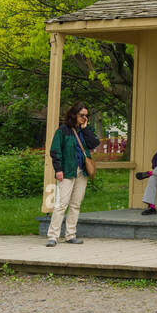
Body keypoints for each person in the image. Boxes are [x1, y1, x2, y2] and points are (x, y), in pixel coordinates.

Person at [47, 101, 99, 246]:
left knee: (75, 204)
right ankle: (53, 236)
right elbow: (55, 150)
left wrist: (86, 128)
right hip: (67, 171)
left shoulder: (84, 130)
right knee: (61, 205)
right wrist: (58, 169)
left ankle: (70, 234)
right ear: (74, 114)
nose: (84, 118)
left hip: (82, 172)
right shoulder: (63, 131)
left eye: (86, 116)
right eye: (82, 115)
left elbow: (94, 143)